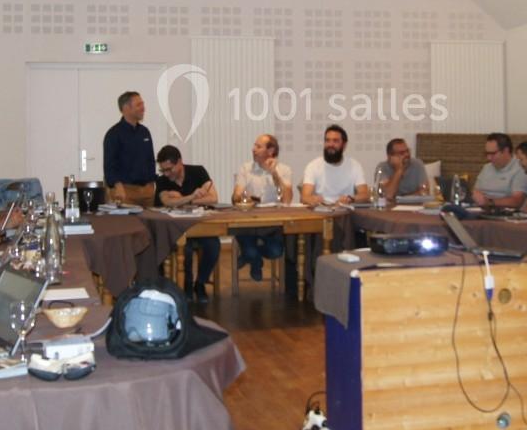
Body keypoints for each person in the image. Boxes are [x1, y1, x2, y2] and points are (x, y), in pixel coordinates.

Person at [154, 145, 220, 302]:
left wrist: (179, 200)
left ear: (179, 162)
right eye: (163, 170)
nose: (166, 174)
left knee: (214, 246)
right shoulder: (162, 180)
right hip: (177, 231)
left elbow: (213, 198)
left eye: (169, 169)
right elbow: (166, 201)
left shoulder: (198, 172)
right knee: (186, 249)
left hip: (200, 227)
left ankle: (201, 283)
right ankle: (187, 285)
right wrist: (191, 197)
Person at [231, 134, 293, 282]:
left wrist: (274, 174)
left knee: (276, 251)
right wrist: (242, 197)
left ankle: (249, 256)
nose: (253, 149)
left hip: (271, 225)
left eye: (258, 147)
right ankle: (255, 261)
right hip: (247, 223)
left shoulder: (284, 170)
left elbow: (287, 200)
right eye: (254, 146)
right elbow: (235, 197)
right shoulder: (246, 168)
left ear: (271, 151)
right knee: (251, 252)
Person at [103, 90, 156, 206]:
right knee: (127, 224)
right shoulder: (113, 134)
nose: (143, 108)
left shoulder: (145, 132)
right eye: (139, 105)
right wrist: (118, 186)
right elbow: (109, 165)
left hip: (147, 192)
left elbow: (150, 160)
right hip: (125, 192)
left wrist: (151, 185)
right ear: (126, 108)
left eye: (143, 104)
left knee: (148, 224)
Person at [300, 125, 370, 206]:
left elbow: (365, 195)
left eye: (335, 141)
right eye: (327, 140)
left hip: (345, 212)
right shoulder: (313, 166)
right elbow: (304, 197)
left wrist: (350, 199)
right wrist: (312, 199)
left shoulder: (355, 166)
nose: (330, 144)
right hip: (321, 212)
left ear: (344, 145)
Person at [471, 132, 527, 209]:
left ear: (506, 151)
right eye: (487, 153)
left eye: (492, 153)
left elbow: (517, 201)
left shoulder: (520, 168)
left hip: (504, 213)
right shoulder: (487, 167)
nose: (488, 158)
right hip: (480, 210)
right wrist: (475, 195)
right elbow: (475, 191)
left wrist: (489, 202)